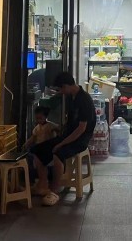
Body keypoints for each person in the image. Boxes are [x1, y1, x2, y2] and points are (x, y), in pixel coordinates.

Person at [32, 72, 96, 206]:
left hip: (80, 139)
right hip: (68, 135)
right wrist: (61, 133)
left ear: (66, 86)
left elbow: (81, 129)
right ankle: (43, 185)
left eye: (61, 89)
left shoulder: (84, 100)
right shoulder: (70, 97)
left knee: (57, 153)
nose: (60, 92)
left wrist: (61, 143)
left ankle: (54, 191)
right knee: (37, 150)